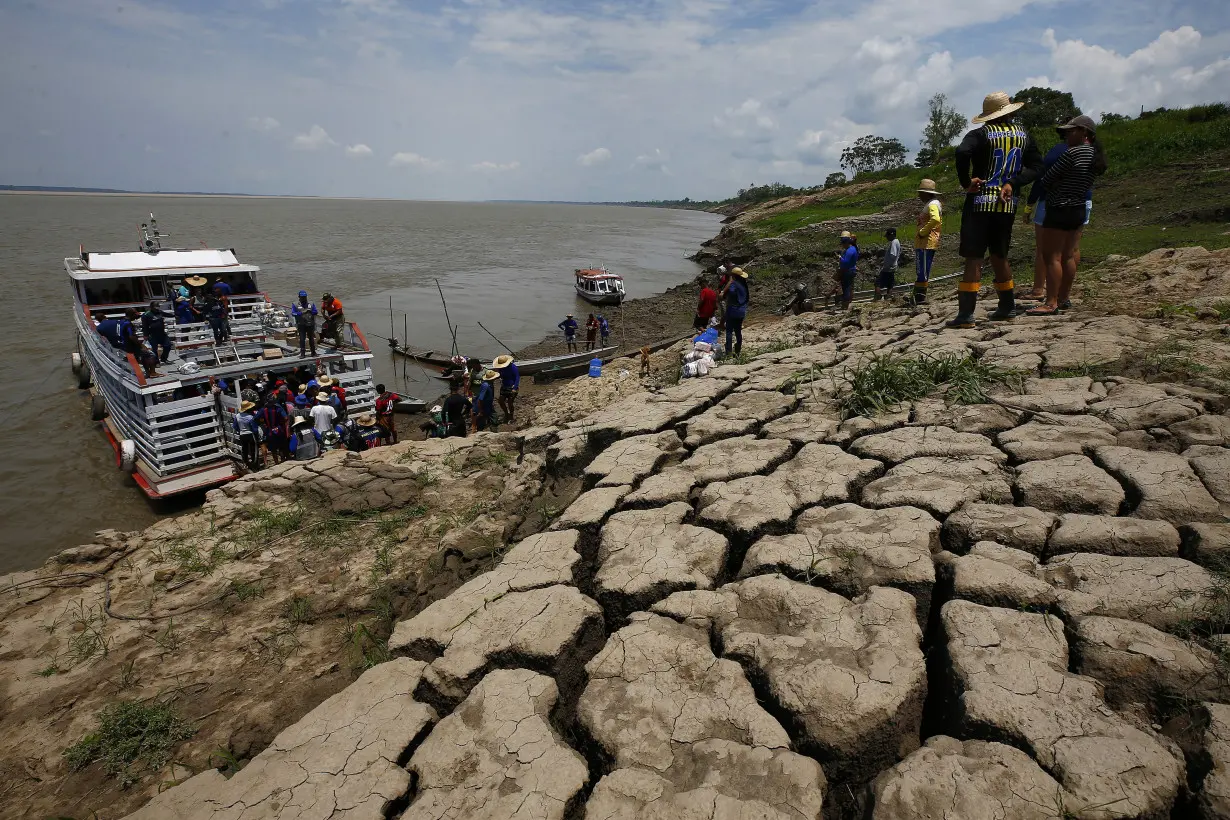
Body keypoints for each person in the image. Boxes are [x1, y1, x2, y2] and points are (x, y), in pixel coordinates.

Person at [949, 91, 1043, 328]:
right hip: (1006, 204)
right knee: (1000, 254)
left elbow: (961, 153)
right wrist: (1013, 183)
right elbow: (1036, 167)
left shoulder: (980, 134)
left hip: (980, 202)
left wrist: (966, 181)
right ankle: (1007, 307)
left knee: (974, 256)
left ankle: (966, 315)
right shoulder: (1024, 136)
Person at [1027, 115, 1104, 316]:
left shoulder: (1071, 154)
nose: (1067, 135)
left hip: (1059, 206)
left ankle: (1050, 301)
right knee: (1068, 255)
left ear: (1084, 132)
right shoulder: (1094, 155)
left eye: (1071, 131)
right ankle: (1064, 298)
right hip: (1078, 206)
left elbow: (1047, 179)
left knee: (1051, 256)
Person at [910, 179, 944, 306]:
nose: (919, 196)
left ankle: (920, 297)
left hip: (926, 242)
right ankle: (917, 296)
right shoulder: (931, 203)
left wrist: (923, 231)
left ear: (926, 193)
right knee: (921, 269)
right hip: (923, 242)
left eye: (921, 193)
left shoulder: (932, 204)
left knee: (923, 270)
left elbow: (935, 219)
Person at [722, 267, 749, 355]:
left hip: (733, 310)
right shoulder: (744, 284)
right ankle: (738, 350)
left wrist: (728, 296)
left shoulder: (734, 284)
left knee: (729, 331)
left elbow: (732, 292)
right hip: (741, 311)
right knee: (738, 331)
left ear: (733, 276)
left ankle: (728, 351)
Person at [257, 397, 289, 465]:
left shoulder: (263, 410)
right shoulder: (278, 408)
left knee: (273, 449)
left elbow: (256, 418)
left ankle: (276, 463)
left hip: (269, 431)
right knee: (281, 447)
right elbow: (286, 418)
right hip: (279, 429)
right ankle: (283, 461)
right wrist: (282, 424)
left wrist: (263, 423)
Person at [233, 399, 262, 470]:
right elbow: (254, 428)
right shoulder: (250, 417)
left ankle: (245, 463)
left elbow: (235, 426)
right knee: (253, 450)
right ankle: (255, 465)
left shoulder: (237, 416)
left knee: (244, 449)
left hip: (242, 435)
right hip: (250, 434)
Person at [493, 354, 520, 422]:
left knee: (510, 402)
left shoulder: (513, 367)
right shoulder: (500, 368)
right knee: (501, 401)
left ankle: (511, 415)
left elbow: (517, 377)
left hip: (512, 386)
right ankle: (506, 413)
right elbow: (500, 375)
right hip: (504, 386)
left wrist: (515, 388)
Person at [837, 232, 860, 310]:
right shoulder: (853, 249)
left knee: (846, 288)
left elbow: (846, 262)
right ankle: (847, 304)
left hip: (848, 271)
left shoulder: (850, 250)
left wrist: (840, 258)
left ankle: (845, 306)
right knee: (849, 287)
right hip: (851, 270)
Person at [291, 291, 318, 357]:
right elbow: (293, 313)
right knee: (302, 339)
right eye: (302, 297)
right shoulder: (295, 304)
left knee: (311, 338)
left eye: (305, 297)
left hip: (310, 324)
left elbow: (316, 311)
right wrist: (302, 313)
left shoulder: (311, 303)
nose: (304, 298)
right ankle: (303, 353)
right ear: (299, 297)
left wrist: (311, 311)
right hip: (301, 324)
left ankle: (313, 352)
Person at [876, 228, 900, 302]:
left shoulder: (893, 242)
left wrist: (887, 263)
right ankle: (888, 297)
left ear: (891, 235)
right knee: (890, 283)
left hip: (889, 267)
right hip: (892, 266)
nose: (887, 237)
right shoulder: (897, 241)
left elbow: (893, 254)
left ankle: (878, 298)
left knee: (878, 283)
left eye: (887, 235)